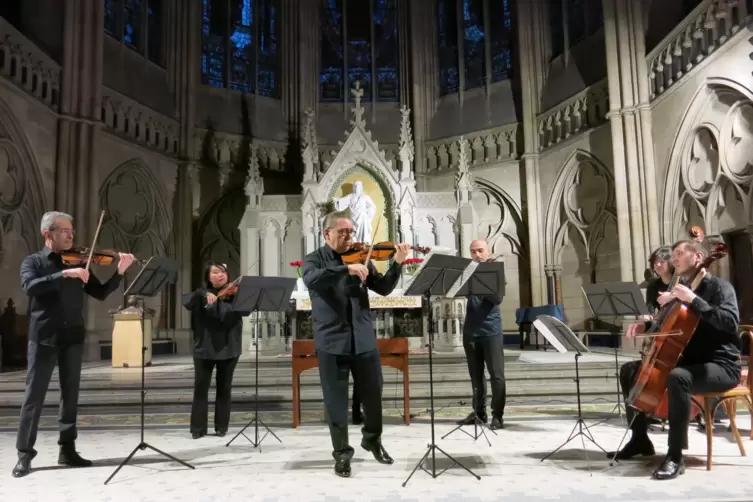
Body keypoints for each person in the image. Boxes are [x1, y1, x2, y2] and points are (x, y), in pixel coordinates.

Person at [13, 211, 136, 478]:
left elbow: (100, 293)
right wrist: (63, 275)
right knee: (33, 398)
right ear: (48, 234)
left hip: (73, 338)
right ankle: (24, 455)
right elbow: (29, 286)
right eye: (65, 231)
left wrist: (119, 272)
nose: (71, 235)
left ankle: (67, 450)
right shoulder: (33, 261)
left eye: (72, 231)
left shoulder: (79, 263)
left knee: (70, 398)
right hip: (44, 337)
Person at [607, 239, 741, 480]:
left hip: (721, 365)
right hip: (688, 360)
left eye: (680, 253)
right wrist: (645, 325)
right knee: (629, 370)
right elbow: (671, 325)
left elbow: (730, 323)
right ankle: (639, 439)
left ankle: (675, 456)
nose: (674, 258)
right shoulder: (679, 291)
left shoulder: (719, 287)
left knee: (679, 377)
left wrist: (693, 300)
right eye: (674, 254)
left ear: (698, 258)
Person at [302, 210, 410, 478]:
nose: (350, 237)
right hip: (331, 341)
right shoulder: (314, 260)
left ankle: (372, 439)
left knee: (373, 395)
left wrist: (397, 263)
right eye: (343, 232)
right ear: (327, 233)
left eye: (351, 232)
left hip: (363, 340)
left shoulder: (362, 258)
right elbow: (312, 280)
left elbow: (383, 288)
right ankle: (341, 454)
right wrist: (345, 268)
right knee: (336, 402)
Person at [608, 246, 673, 441]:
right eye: (655, 261)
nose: (657, 264)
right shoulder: (653, 287)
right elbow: (653, 317)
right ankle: (639, 437)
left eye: (662, 260)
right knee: (628, 371)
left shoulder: (682, 285)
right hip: (659, 344)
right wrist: (645, 321)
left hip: (677, 347)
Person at [182, 262, 243, 439]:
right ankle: (198, 428)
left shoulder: (236, 295)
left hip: (229, 347)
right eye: (215, 272)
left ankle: (221, 427)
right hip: (204, 348)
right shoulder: (199, 295)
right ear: (208, 277)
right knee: (201, 388)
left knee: (224, 388)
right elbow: (187, 300)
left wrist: (226, 299)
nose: (220, 275)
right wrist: (204, 293)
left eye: (223, 272)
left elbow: (233, 315)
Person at [456, 240, 506, 430]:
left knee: (496, 375)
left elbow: (497, 298)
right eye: (473, 251)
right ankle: (479, 412)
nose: (477, 254)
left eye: (480, 250)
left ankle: (498, 415)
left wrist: (482, 279)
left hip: (490, 330)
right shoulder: (467, 272)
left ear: (488, 251)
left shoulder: (494, 271)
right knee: (476, 376)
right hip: (470, 330)